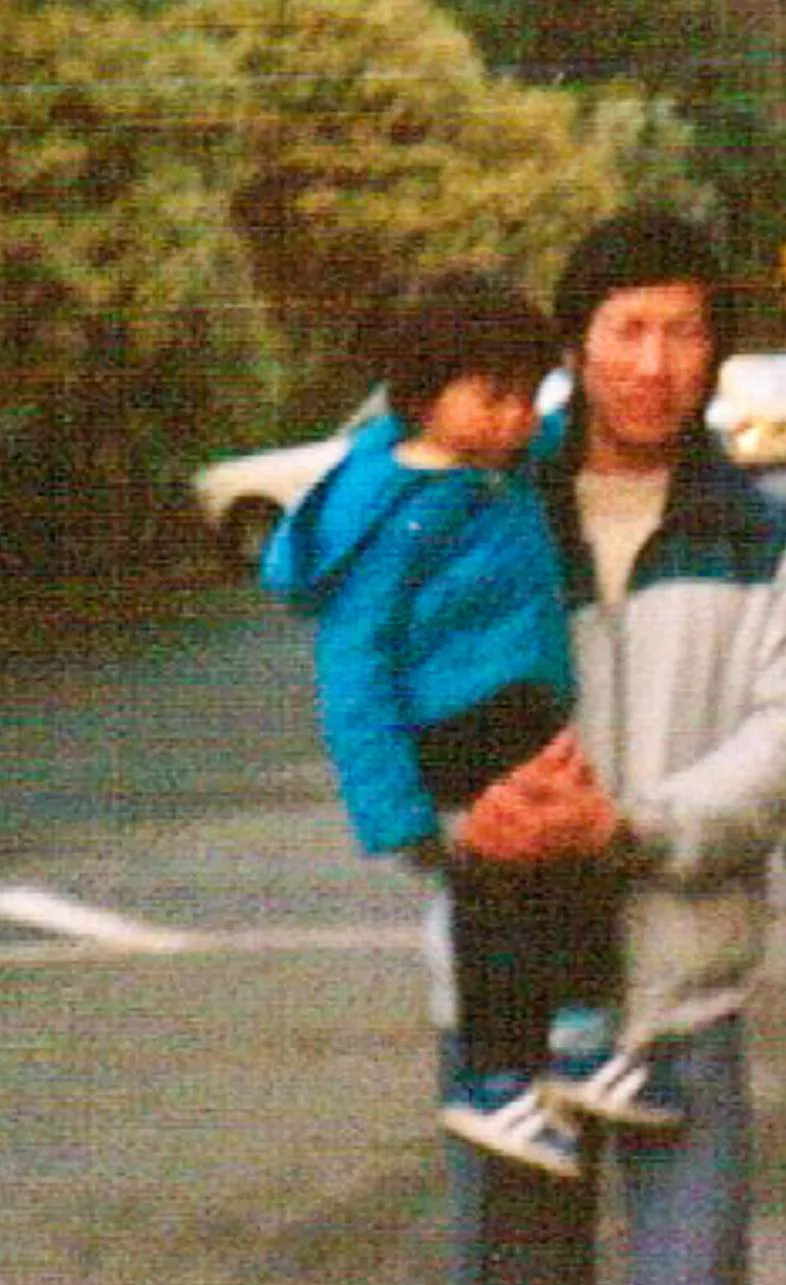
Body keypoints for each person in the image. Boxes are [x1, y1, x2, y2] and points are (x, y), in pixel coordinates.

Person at [438, 209, 786, 1285]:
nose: (656, 361)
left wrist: (631, 827)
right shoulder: (476, 514)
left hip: (683, 1006)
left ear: (718, 350)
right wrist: (463, 818)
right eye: (626, 327)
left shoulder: (767, 543)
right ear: (574, 341)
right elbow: (395, 696)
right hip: (503, 1007)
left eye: (686, 329)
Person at [261, 267, 649, 1180]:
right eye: (495, 397)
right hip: (454, 728)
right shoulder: (392, 510)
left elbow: (559, 433)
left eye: (530, 396)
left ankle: (577, 1040)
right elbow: (353, 668)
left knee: (573, 858)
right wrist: (398, 818)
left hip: (516, 710)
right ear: (423, 395)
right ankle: (492, 1076)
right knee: (502, 895)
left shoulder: (492, 465)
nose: (518, 418)